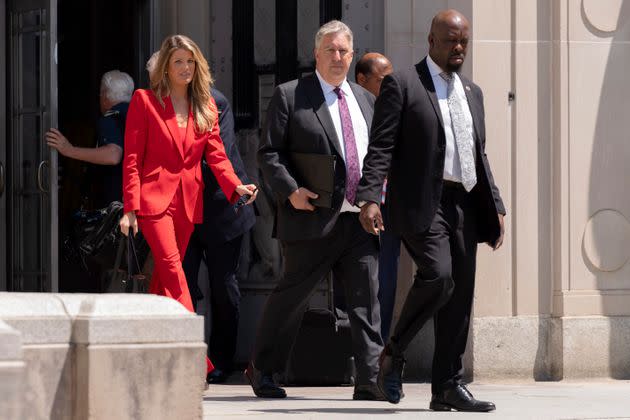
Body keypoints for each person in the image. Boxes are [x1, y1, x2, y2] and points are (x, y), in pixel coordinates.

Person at [356, 10, 506, 412]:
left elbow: (478, 154)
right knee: (438, 278)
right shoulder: (403, 84)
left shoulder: (472, 92)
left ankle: (447, 387)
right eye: (450, 40)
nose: (458, 48)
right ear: (431, 40)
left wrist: (496, 203)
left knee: (460, 295)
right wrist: (370, 196)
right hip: (423, 201)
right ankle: (396, 351)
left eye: (463, 42)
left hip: (466, 202)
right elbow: (382, 145)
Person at [246, 20, 383, 401]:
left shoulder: (365, 100)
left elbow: (376, 157)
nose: (338, 57)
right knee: (291, 299)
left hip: (358, 219)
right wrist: (290, 192)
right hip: (309, 216)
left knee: (366, 300)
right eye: (331, 50)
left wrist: (374, 198)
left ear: (352, 55)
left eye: (344, 51)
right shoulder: (292, 95)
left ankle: (369, 378)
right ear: (316, 54)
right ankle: (264, 370)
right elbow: (268, 152)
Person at [119, 35, 258, 380]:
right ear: (165, 66)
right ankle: (195, 356)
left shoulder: (206, 106)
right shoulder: (144, 101)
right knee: (175, 274)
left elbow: (217, 155)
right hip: (154, 201)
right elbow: (133, 158)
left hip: (187, 203)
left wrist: (235, 186)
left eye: (191, 62)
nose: (185, 68)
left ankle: (139, 355)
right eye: (178, 61)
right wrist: (130, 207)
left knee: (161, 283)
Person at [182, 88, 256, 384]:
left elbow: (217, 154)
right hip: (183, 210)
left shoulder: (216, 101)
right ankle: (187, 357)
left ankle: (222, 361)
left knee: (223, 287)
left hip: (222, 207)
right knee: (183, 285)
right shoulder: (158, 102)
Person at [355, 52, 398, 341]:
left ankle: (381, 349)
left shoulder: (394, 109)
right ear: (362, 80)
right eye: (383, 81)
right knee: (357, 283)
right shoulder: (351, 110)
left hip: (389, 210)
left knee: (386, 280)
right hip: (356, 211)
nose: (389, 87)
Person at [46, 70, 134, 208]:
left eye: (100, 93)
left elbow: (113, 155)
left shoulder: (110, 119)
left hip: (117, 208)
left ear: (105, 95)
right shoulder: (140, 118)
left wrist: (69, 150)